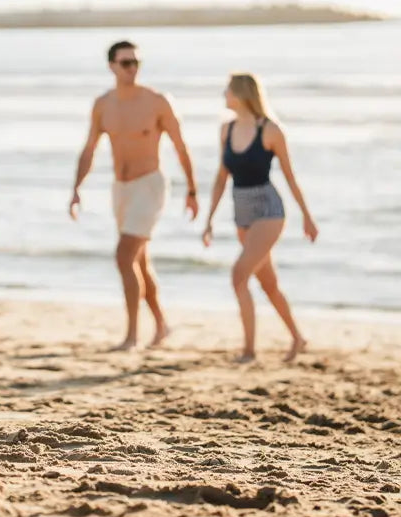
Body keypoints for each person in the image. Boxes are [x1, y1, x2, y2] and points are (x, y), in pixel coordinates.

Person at [70, 41, 198, 351]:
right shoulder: (103, 104)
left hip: (150, 185)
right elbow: (90, 148)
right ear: (112, 66)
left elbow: (181, 147)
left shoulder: (156, 101)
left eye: (136, 62)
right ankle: (162, 325)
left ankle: (131, 336)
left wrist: (192, 190)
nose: (132, 68)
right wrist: (76, 188)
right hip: (121, 188)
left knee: (123, 255)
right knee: (139, 261)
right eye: (126, 63)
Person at [202, 73, 318, 362]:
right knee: (268, 284)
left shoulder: (270, 130)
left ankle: (249, 351)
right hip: (241, 210)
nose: (224, 96)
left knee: (238, 275)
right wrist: (209, 219)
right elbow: (220, 178)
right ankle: (298, 337)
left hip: (268, 210)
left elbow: (290, 178)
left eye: (227, 91)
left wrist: (307, 216)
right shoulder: (225, 130)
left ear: (241, 94)